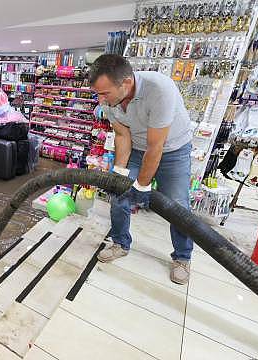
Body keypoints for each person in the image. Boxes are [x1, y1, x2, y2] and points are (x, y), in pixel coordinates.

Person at [89, 54, 194, 285]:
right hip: (136, 146)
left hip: (172, 149)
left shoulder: (159, 90)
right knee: (118, 194)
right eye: (98, 93)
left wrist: (142, 185)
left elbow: (156, 147)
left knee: (177, 205)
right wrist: (119, 173)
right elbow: (122, 135)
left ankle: (183, 257)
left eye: (104, 93)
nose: (101, 100)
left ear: (125, 83)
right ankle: (120, 242)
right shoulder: (108, 101)